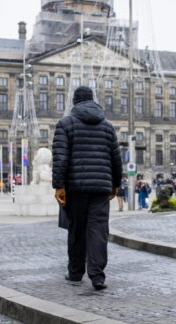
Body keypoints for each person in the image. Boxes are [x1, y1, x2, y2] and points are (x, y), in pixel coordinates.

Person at [53, 86, 121, 291]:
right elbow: (116, 159)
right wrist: (115, 184)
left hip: (76, 188)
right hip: (101, 188)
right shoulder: (108, 126)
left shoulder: (65, 124)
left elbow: (60, 159)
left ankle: (75, 273)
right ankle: (97, 276)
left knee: (77, 230)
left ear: (74, 102)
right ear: (93, 101)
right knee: (98, 231)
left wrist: (59, 186)